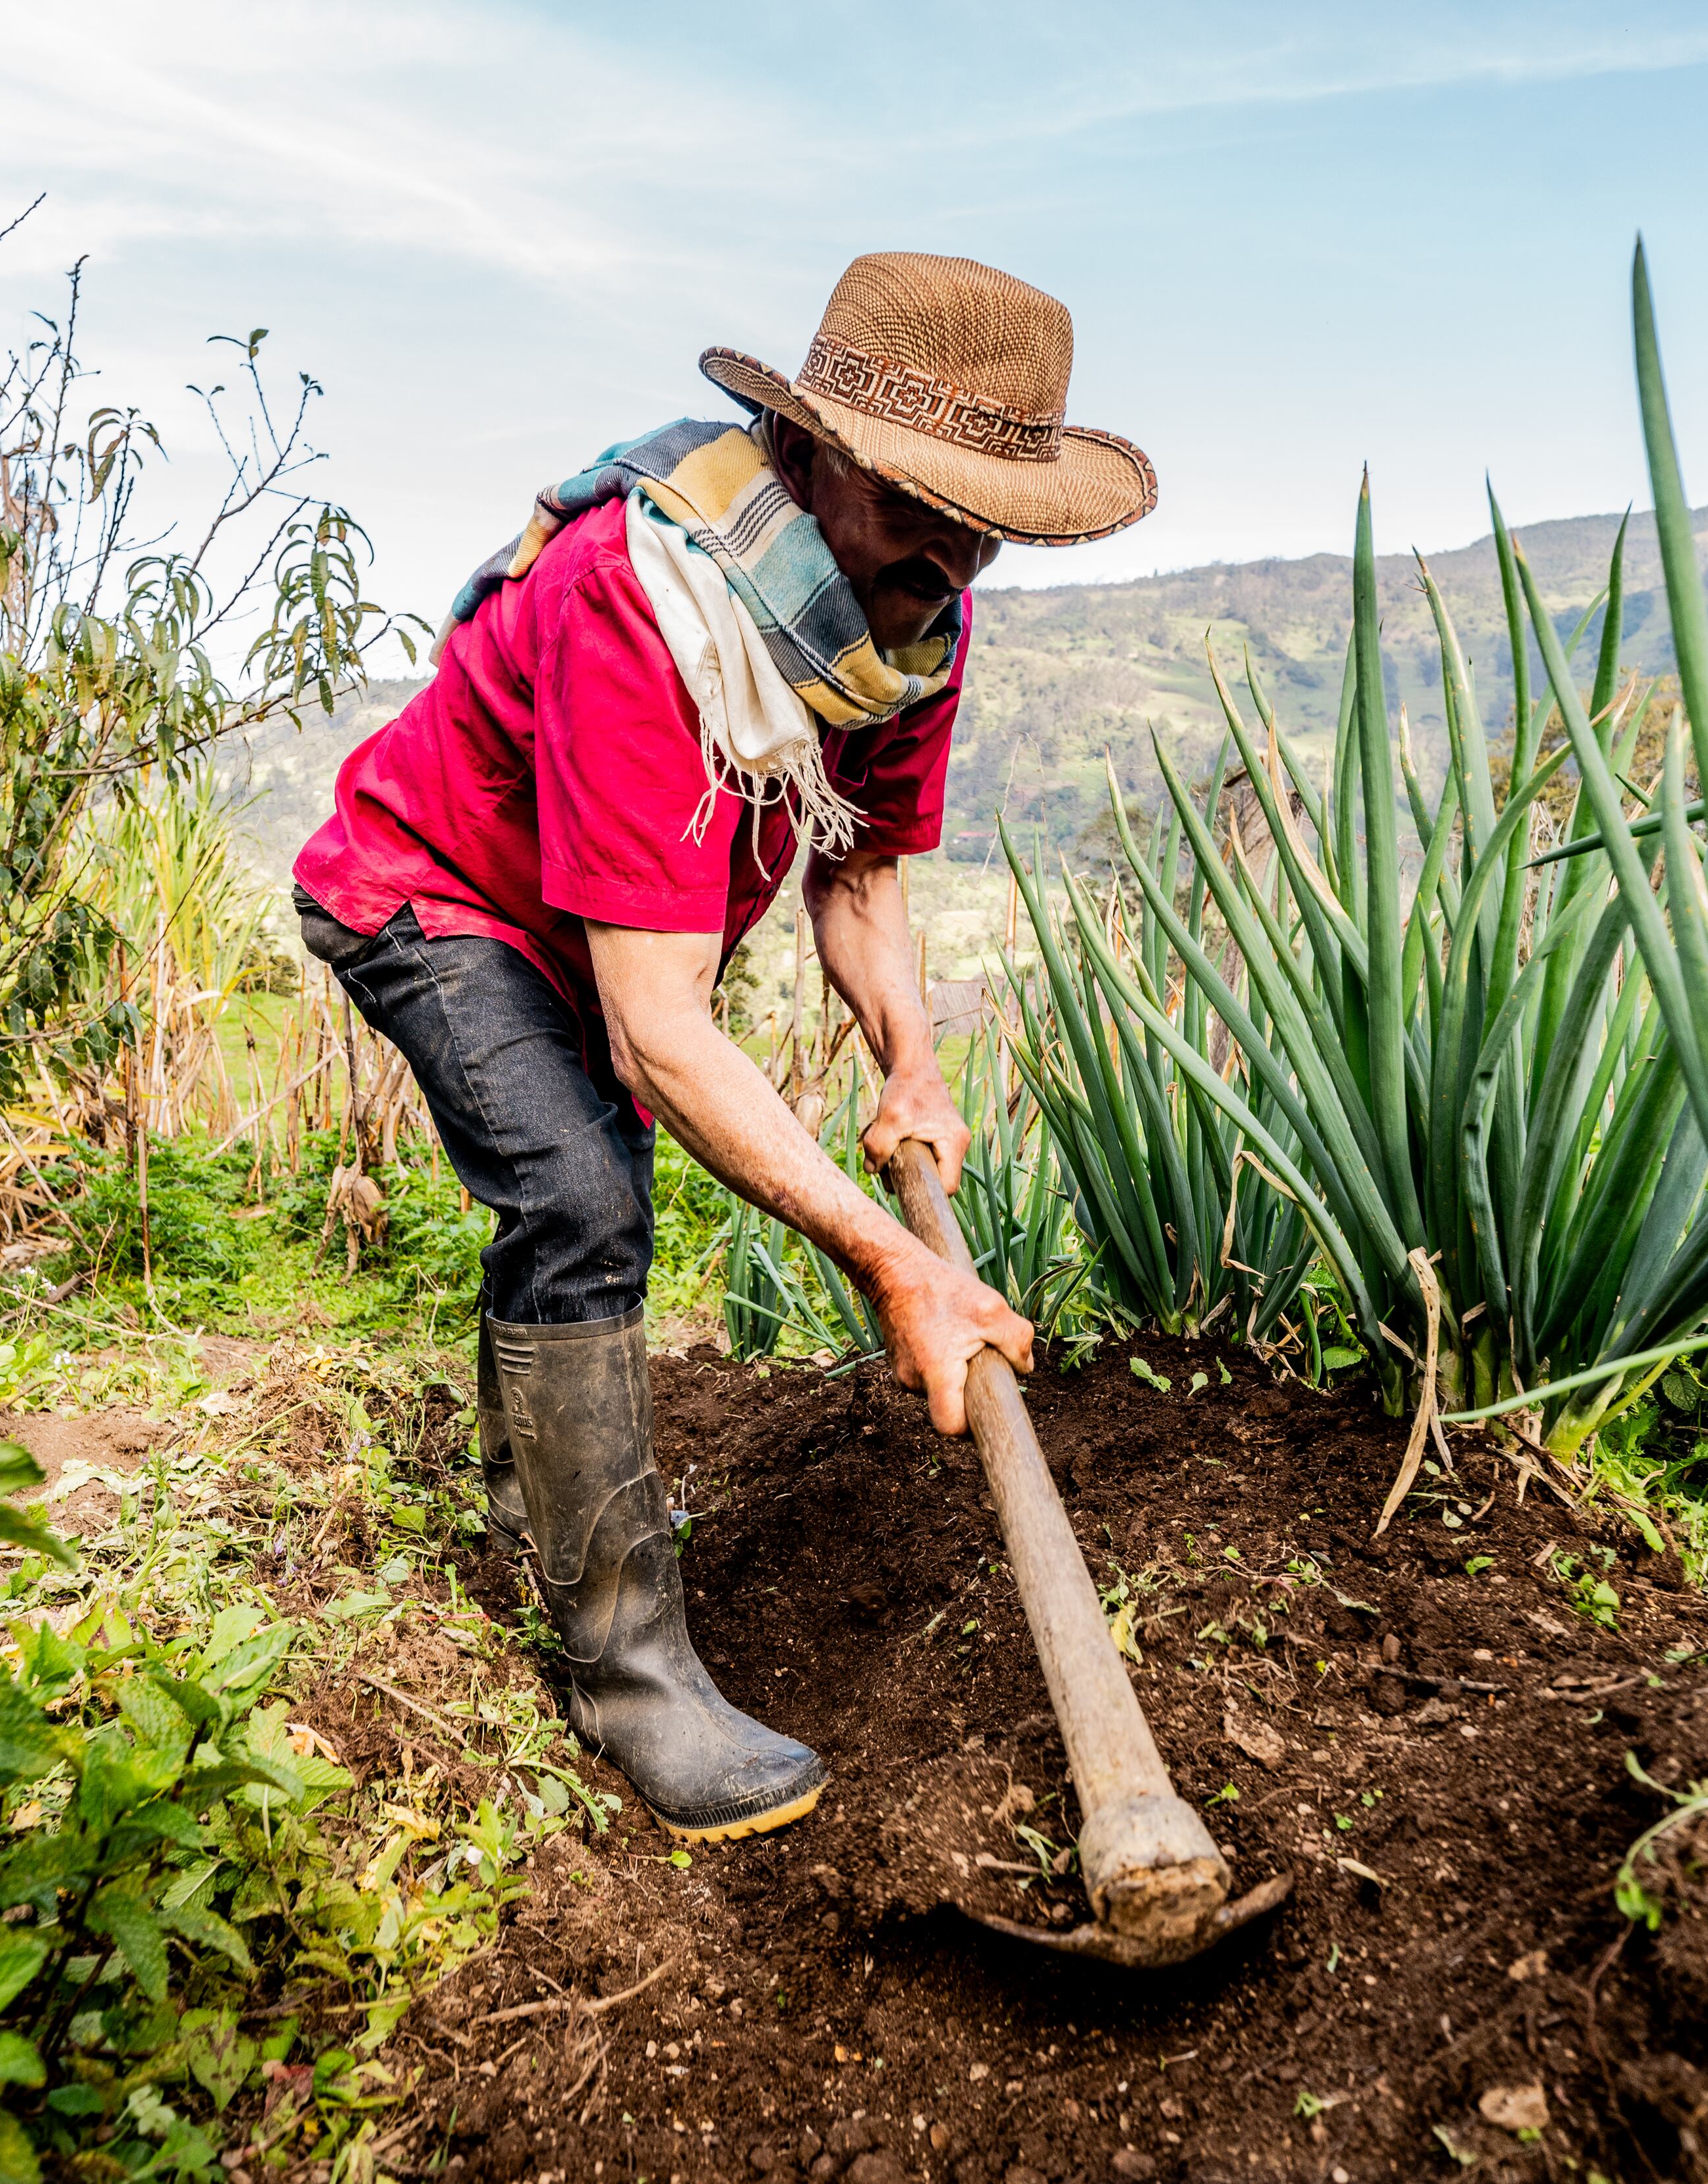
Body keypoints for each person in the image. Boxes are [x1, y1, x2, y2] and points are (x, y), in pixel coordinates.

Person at [294, 252, 1156, 1842]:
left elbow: (862, 870)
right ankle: (626, 1673)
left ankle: (535, 1504)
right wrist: (892, 1262)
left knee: (586, 1178)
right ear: (814, 453)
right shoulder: (644, 602)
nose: (951, 549)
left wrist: (910, 1050)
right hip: (428, 893)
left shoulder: (902, 631)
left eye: (982, 520)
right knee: (582, 1193)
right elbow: (660, 1028)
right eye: (916, 502)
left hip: (587, 932)